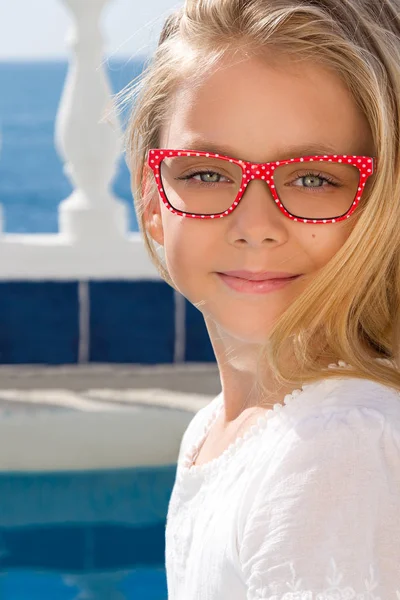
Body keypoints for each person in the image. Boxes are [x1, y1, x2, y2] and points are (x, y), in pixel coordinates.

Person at [123, 0, 400, 597]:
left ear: (382, 205)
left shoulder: (337, 447)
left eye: (313, 178)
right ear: (152, 201)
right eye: (206, 173)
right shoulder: (220, 430)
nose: (256, 224)